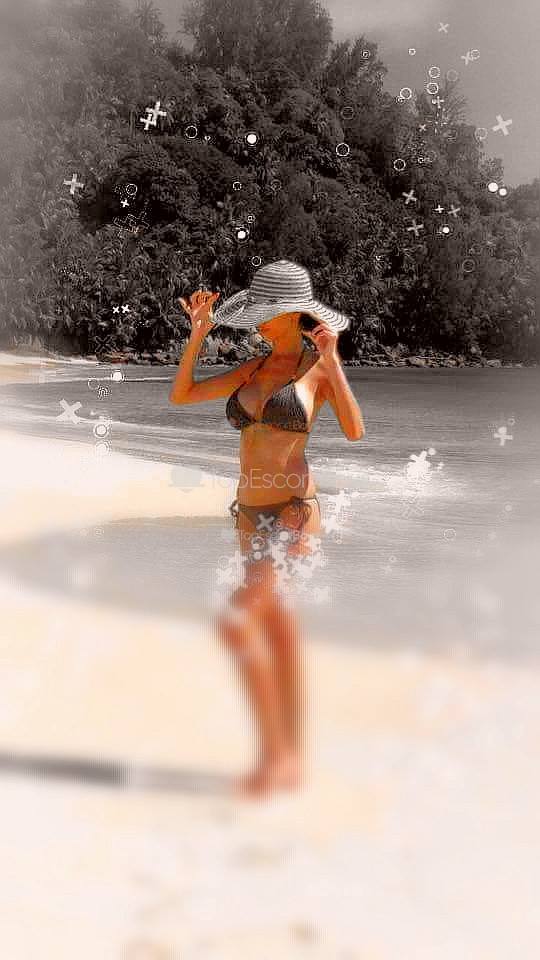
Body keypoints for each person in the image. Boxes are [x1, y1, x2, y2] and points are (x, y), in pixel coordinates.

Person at [170, 259, 365, 798]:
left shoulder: (316, 370)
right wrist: (197, 336)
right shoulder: (254, 368)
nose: (256, 319)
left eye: (264, 311)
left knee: (236, 623)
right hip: (249, 515)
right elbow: (182, 395)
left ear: (289, 314)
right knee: (275, 632)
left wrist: (333, 362)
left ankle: (277, 756)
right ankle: (286, 759)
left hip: (292, 513)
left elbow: (354, 430)